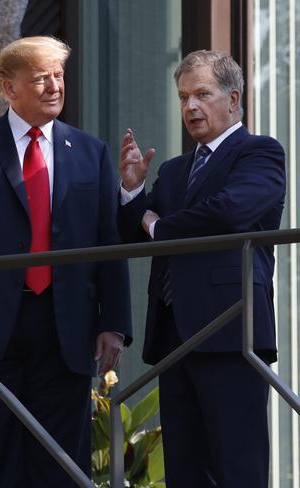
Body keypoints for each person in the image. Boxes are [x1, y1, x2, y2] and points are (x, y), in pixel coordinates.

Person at [0, 36, 132, 487]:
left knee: (59, 464)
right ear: (7, 88)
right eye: (41, 78)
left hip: (66, 328)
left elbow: (108, 242)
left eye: (59, 76)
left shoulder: (90, 152)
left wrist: (113, 322)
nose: (55, 86)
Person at [118, 50, 285, 488]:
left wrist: (159, 224)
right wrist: (133, 190)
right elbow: (134, 235)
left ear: (233, 99)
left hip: (232, 335)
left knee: (237, 469)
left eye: (202, 94)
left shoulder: (260, 152)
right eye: (183, 96)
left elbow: (229, 213)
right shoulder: (173, 172)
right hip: (174, 338)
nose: (190, 106)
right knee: (184, 471)